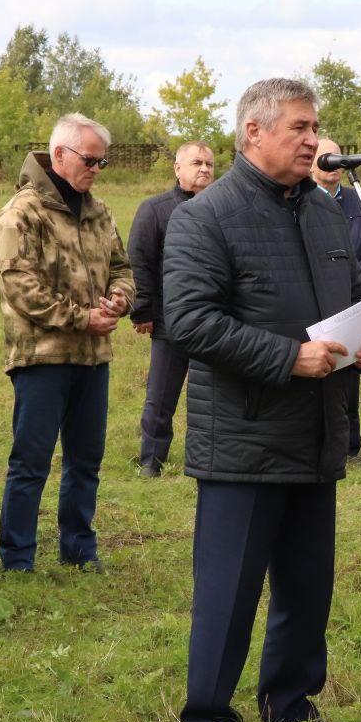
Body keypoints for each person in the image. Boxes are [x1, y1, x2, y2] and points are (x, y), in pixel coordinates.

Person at [163, 78, 361, 722]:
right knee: (229, 588)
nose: (314, 140)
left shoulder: (326, 214)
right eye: (299, 127)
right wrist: (288, 358)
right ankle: (207, 714)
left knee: (307, 581)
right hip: (243, 434)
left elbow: (350, 297)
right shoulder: (207, 217)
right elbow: (190, 321)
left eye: (315, 126)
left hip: (317, 431)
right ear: (253, 133)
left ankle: (289, 700)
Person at [0, 113, 135, 574]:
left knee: (86, 460)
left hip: (93, 358)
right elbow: (21, 287)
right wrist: (81, 319)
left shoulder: (98, 211)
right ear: (59, 155)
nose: (95, 169)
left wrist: (119, 298)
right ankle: (17, 559)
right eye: (90, 160)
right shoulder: (21, 213)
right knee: (31, 462)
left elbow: (123, 267)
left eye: (102, 162)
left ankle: (79, 549)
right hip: (42, 358)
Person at [127, 140, 215, 477]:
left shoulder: (222, 208)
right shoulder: (155, 209)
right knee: (161, 394)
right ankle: (151, 460)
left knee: (210, 396)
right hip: (169, 320)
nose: (204, 169)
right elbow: (139, 260)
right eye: (196, 163)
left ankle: (205, 459)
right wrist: (142, 310)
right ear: (178, 169)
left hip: (214, 320)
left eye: (208, 163)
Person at [310, 137, 361, 459]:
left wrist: (351, 276)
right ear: (313, 163)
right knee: (319, 365)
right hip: (313, 301)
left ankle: (350, 447)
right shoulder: (303, 201)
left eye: (340, 157)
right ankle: (314, 440)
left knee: (350, 370)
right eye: (329, 157)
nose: (337, 163)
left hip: (352, 299)